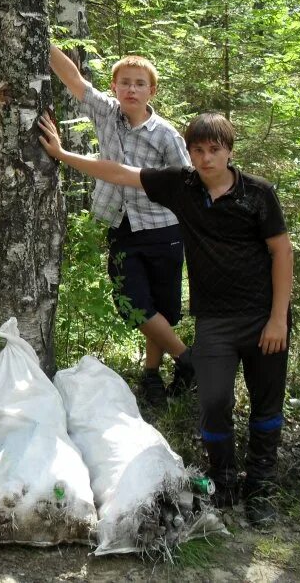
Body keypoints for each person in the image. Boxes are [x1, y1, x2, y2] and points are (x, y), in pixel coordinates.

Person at [39, 111, 293, 526]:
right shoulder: (182, 186)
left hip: (264, 316)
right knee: (213, 402)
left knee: (267, 405)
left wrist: (278, 319)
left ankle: (261, 488)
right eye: (198, 150)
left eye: (215, 149)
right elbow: (120, 173)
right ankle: (224, 481)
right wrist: (64, 155)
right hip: (214, 320)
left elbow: (282, 252)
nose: (206, 158)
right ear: (189, 152)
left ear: (229, 151)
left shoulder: (258, 195)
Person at [49, 45, 193, 408]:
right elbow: (73, 79)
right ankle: (189, 360)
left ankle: (151, 375)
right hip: (121, 224)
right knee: (133, 304)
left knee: (160, 306)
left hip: (162, 228)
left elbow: (187, 184)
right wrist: (42, 35)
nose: (131, 89)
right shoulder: (107, 114)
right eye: (125, 83)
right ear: (114, 86)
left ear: (151, 91)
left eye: (140, 84)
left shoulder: (166, 135)